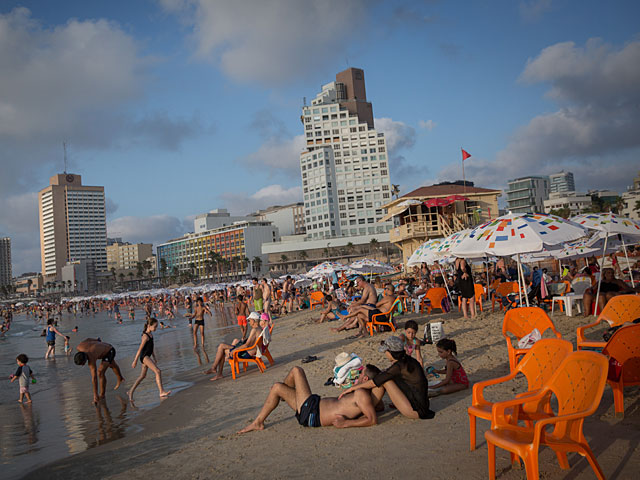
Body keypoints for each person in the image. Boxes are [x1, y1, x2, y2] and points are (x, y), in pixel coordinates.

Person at [237, 365, 379, 434]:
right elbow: (376, 408)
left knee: (297, 370)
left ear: (365, 379)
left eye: (361, 373)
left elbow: (372, 419)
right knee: (277, 388)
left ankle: (283, 395)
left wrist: (346, 423)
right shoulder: (360, 393)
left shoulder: (361, 394)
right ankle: (259, 422)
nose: (358, 374)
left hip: (313, 413)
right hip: (312, 407)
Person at [339, 336, 435, 420]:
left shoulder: (399, 366)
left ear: (391, 352)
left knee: (385, 381)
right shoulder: (407, 360)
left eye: (386, 351)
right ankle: (369, 407)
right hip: (422, 405)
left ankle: (363, 410)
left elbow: (375, 382)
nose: (385, 353)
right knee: (384, 377)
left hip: (416, 410)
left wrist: (352, 388)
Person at [205, 312, 261, 381]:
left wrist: (235, 350)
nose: (249, 322)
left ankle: (216, 370)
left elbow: (247, 345)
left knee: (222, 348)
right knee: (222, 346)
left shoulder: (254, 330)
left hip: (246, 353)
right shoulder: (259, 329)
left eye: (249, 320)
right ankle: (215, 370)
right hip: (250, 350)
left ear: (253, 320)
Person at [128, 318, 171, 402]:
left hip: (147, 356)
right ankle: (161, 391)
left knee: (142, 376)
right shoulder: (145, 336)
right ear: (149, 326)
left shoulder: (151, 334)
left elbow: (151, 347)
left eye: (156, 326)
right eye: (155, 326)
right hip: (144, 357)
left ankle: (130, 391)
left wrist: (154, 357)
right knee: (158, 371)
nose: (156, 328)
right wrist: (135, 361)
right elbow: (140, 349)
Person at [332, 283, 397, 337]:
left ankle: (344, 317)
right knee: (360, 315)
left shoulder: (388, 297)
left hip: (380, 316)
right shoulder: (393, 297)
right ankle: (364, 332)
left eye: (385, 289)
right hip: (380, 314)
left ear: (388, 290)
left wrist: (365, 306)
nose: (384, 290)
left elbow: (376, 305)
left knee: (360, 309)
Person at [74, 338, 125, 404]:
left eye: (83, 363)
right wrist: (96, 340)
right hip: (103, 348)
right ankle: (120, 378)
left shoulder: (91, 357)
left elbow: (94, 378)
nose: (82, 365)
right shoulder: (79, 346)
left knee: (100, 372)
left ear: (86, 359)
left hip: (109, 351)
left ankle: (102, 395)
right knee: (112, 364)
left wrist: (95, 395)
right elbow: (88, 339)